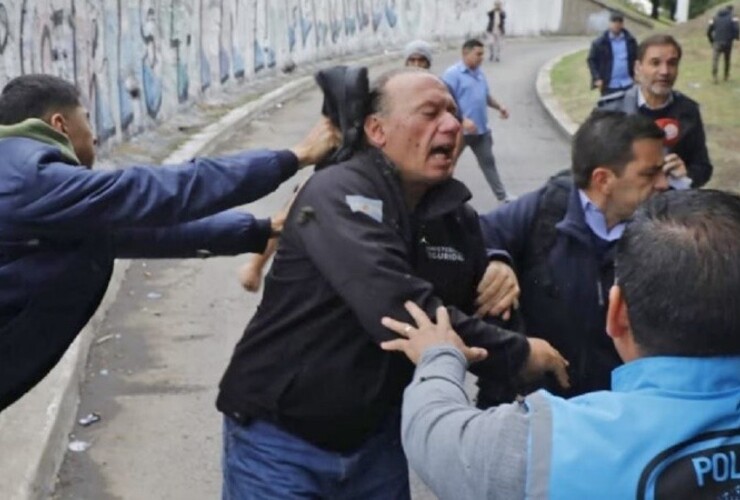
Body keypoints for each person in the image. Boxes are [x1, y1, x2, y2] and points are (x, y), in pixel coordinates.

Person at [217, 67, 568, 499]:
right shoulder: (339, 192)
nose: (453, 125)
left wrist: (499, 262)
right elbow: (398, 306)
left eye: (454, 113)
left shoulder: (456, 217)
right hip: (279, 442)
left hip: (377, 442)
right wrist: (517, 353)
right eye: (430, 112)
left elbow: (487, 291)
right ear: (377, 130)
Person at [0, 73, 338, 412]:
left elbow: (139, 231)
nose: (95, 137)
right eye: (87, 121)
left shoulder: (27, 180)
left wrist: (262, 228)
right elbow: (154, 190)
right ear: (60, 124)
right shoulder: (27, 177)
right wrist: (294, 157)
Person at [382, 188, 740, 500]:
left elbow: (433, 432)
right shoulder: (537, 210)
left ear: (616, 313)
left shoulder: (542, 447)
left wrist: (438, 355)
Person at [475, 110, 684, 404]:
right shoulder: (545, 210)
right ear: (603, 180)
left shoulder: (667, 227)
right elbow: (474, 237)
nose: (663, 183)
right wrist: (496, 259)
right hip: (541, 411)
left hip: (618, 411)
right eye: (650, 174)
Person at [598, 34, 713, 188]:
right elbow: (590, 167)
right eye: (655, 63)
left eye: (672, 63)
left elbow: (703, 167)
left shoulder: (689, 111)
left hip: (669, 207)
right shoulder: (610, 110)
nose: (664, 71)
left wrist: (686, 177)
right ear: (638, 69)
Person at [442, 39, 512, 203]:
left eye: (483, 54)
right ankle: (439, 197)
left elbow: (484, 96)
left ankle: (503, 197)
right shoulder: (452, 74)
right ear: (465, 53)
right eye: (478, 54)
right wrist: (462, 119)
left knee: (488, 163)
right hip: (459, 131)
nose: (482, 58)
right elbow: (446, 101)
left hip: (480, 130)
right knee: (447, 164)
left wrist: (499, 106)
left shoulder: (479, 73)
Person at [587, 11, 638, 96]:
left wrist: (637, 76)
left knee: (629, 108)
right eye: (614, 21)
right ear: (609, 23)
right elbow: (591, 60)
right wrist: (597, 78)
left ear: (622, 24)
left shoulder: (631, 41)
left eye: (619, 22)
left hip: (628, 84)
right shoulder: (599, 42)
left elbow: (637, 58)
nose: (617, 24)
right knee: (609, 109)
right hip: (609, 85)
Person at [707, 5, 739, 83]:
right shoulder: (732, 18)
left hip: (717, 41)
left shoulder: (715, 18)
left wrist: (712, 41)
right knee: (727, 59)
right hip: (728, 42)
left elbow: (708, 31)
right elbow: (737, 29)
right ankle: (726, 76)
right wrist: (736, 37)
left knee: (715, 60)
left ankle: (715, 77)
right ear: (731, 10)